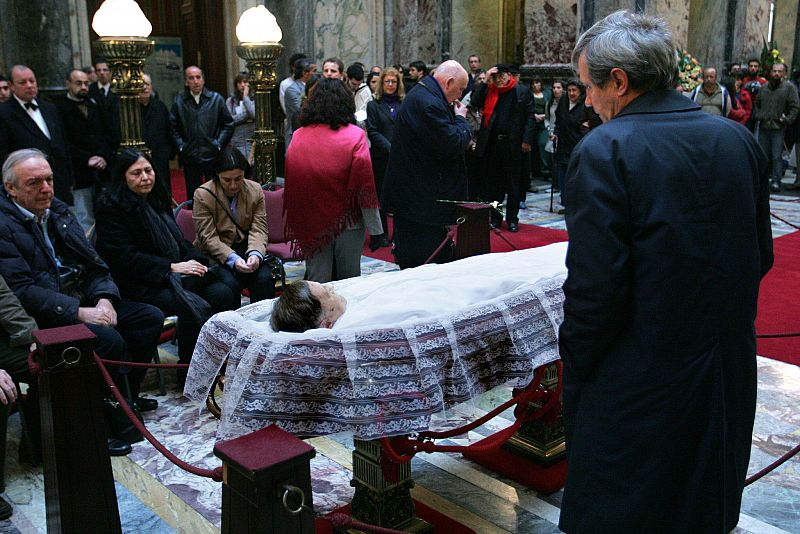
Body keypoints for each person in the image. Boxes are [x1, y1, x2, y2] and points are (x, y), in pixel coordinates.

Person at [559, 11, 773, 534]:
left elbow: (596, 290)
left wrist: (577, 365)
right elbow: (761, 256)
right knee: (702, 504)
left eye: (589, 86)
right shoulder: (736, 140)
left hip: (638, 381)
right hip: (724, 369)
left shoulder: (605, 149)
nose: (586, 100)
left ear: (620, 81)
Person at [0, 149, 165, 455]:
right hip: (43, 315)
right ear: (11, 188)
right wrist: (79, 312)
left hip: (80, 300)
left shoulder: (58, 210)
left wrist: (104, 298)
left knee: (147, 318)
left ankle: (122, 396)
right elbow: (23, 291)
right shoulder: (4, 225)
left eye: (49, 180)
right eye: (34, 183)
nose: (46, 188)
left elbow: (93, 263)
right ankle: (96, 422)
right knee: (105, 340)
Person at [94, 149, 240, 378]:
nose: (145, 177)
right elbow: (122, 257)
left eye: (148, 170)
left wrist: (195, 260)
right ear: (123, 176)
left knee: (223, 291)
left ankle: (210, 363)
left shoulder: (155, 198)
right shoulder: (111, 206)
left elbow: (179, 241)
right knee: (194, 302)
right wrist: (171, 268)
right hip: (139, 282)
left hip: (170, 276)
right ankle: (187, 371)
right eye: (136, 173)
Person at [270, 242, 568, 332]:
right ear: (326, 321)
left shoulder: (349, 303)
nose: (334, 289)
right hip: (455, 293)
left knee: (493, 265)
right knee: (505, 278)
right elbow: (426, 305)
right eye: (328, 294)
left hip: (444, 277)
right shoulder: (359, 323)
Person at [284, 78, 382, 283]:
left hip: (312, 220)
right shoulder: (355, 135)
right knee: (349, 282)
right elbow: (365, 186)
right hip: (348, 221)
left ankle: (316, 316)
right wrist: (376, 230)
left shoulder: (299, 136)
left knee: (317, 281)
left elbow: (294, 182)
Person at [382, 60, 471, 269]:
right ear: (448, 83)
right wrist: (461, 120)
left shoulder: (424, 93)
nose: (459, 96)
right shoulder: (429, 103)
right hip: (421, 200)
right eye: (460, 89)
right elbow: (453, 143)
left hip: (415, 194)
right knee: (425, 262)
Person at [192, 147, 275, 303]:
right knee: (229, 287)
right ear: (217, 175)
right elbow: (208, 238)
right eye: (227, 180)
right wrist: (233, 259)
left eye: (238, 179)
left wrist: (255, 254)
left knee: (265, 280)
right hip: (217, 254)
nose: (233, 185)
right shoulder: (203, 194)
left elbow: (259, 228)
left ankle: (260, 325)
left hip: (247, 247)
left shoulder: (255, 190)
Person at [470, 64, 534, 232]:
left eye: (501, 76)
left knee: (513, 184)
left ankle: (512, 219)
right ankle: (496, 216)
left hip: (513, 144)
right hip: (492, 144)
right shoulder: (490, 90)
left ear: (508, 75)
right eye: (495, 76)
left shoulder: (520, 91)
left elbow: (530, 117)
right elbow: (475, 102)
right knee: (494, 185)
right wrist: (485, 81)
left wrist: (526, 140)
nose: (499, 80)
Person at [0, 65, 74, 205]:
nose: (29, 86)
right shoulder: (4, 114)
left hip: (59, 184)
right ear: (11, 86)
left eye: (32, 81)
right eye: (22, 83)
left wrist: (69, 180)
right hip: (28, 189)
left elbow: (63, 144)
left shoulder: (49, 108)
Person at [55, 69, 113, 233]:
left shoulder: (95, 103)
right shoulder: (59, 108)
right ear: (68, 84)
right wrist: (87, 159)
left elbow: (108, 132)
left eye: (86, 83)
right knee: (83, 215)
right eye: (79, 83)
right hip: (79, 171)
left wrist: (102, 156)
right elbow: (63, 142)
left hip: (102, 170)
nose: (84, 87)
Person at [169, 66, 234, 201]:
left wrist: (218, 144)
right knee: (193, 195)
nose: (195, 81)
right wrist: (181, 146)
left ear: (203, 80)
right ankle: (194, 221)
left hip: (212, 154)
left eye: (198, 77)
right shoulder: (179, 101)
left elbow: (228, 124)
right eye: (191, 78)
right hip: (190, 154)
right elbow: (172, 127)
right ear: (186, 82)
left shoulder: (216, 99)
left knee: (216, 193)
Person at [366, 67, 405, 250]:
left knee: (400, 196)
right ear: (382, 83)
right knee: (380, 197)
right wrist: (390, 148)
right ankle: (380, 235)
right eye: (387, 81)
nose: (390, 85)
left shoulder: (404, 103)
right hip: (381, 157)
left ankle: (399, 233)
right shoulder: (373, 104)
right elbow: (372, 131)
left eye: (394, 82)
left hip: (401, 157)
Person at [753, 62, 800, 192]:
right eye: (774, 71)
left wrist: (787, 120)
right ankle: (761, 180)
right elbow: (757, 103)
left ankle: (776, 180)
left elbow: (795, 106)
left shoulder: (789, 88)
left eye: (779, 71)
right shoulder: (763, 88)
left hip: (778, 127)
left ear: (784, 73)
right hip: (763, 126)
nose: (776, 74)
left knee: (776, 156)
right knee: (762, 155)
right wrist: (758, 115)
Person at [552, 79, 588, 213]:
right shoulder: (563, 102)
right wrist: (556, 133)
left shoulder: (585, 105)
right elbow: (558, 120)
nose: (571, 93)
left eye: (574, 90)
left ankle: (577, 205)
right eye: (570, 90)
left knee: (576, 177)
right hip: (563, 145)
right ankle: (566, 204)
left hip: (578, 146)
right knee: (563, 177)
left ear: (580, 92)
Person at [139, 73, 176, 196]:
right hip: (139, 160)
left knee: (163, 193)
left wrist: (168, 152)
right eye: (140, 85)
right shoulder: (129, 109)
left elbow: (169, 131)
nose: (144, 88)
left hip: (160, 159)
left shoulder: (160, 107)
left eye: (147, 84)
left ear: (151, 87)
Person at [284, 59, 317, 149]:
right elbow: (299, 109)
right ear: (305, 73)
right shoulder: (292, 90)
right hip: (295, 132)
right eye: (314, 71)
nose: (317, 74)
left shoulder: (315, 85)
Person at [226, 73, 256, 160]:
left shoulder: (254, 98)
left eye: (245, 82)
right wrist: (246, 117)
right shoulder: (230, 101)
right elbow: (230, 120)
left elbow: (253, 114)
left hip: (252, 141)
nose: (242, 85)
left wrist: (245, 97)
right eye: (239, 82)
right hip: (237, 141)